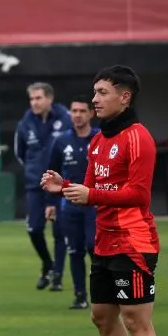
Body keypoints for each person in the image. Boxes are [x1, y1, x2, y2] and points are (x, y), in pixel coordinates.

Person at [42, 66, 163, 336]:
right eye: (94, 92)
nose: (94, 99)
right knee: (101, 317)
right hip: (105, 241)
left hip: (134, 241)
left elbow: (139, 195)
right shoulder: (98, 141)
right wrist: (63, 186)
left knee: (136, 321)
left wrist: (90, 193)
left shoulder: (139, 137)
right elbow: (92, 192)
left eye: (102, 92)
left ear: (124, 97)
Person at [16, 82, 70, 291]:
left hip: (60, 184)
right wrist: (35, 169)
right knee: (34, 228)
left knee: (59, 229)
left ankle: (57, 274)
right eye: (32, 99)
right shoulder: (26, 122)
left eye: (38, 98)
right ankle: (47, 263)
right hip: (35, 184)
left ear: (50, 98)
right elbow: (20, 152)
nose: (34, 103)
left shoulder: (65, 119)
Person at [45, 96, 98, 310]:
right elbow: (51, 173)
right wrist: (50, 203)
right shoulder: (61, 141)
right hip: (69, 206)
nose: (77, 115)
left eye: (82, 111)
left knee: (94, 247)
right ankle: (80, 295)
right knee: (75, 250)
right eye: (74, 111)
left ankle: (105, 292)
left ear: (91, 114)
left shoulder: (100, 138)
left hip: (95, 203)